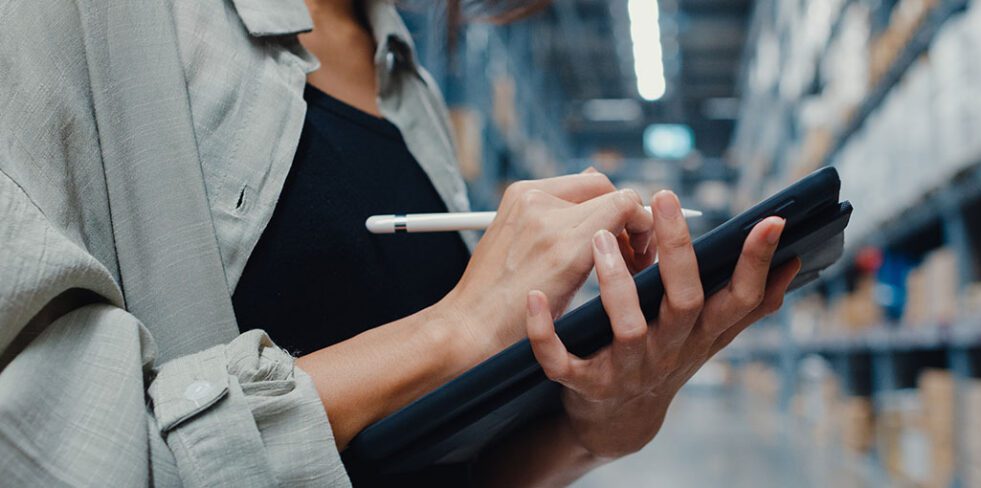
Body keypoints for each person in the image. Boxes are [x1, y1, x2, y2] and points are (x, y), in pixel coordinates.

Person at [0, 0, 801, 486]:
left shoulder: (407, 79)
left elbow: (436, 469)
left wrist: (598, 423)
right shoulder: (85, 25)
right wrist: (449, 332)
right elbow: (49, 456)